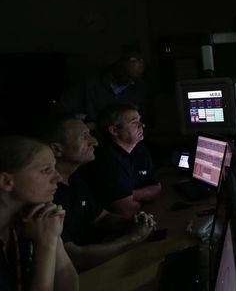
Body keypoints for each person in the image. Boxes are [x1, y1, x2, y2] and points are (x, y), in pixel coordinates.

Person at [37, 114, 156, 271]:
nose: (95, 142)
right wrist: (133, 238)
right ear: (57, 149)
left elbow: (101, 218)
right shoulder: (46, 195)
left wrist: (132, 224)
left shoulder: (74, 179)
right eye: (84, 136)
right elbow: (75, 258)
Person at [0, 136, 79, 291]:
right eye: (46, 170)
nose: (57, 177)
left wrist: (53, 237)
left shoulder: (24, 221)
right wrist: (45, 245)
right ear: (7, 181)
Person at [85, 104, 161, 218]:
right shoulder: (106, 159)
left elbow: (157, 188)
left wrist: (131, 194)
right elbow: (127, 209)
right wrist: (140, 196)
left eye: (140, 120)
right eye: (134, 123)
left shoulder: (139, 148)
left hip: (142, 213)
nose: (142, 125)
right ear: (114, 130)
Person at [59, 44, 147, 122]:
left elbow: (147, 119)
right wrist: (85, 121)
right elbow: (64, 109)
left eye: (133, 78)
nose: (129, 81)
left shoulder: (139, 89)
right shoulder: (89, 84)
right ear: (117, 66)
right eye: (126, 76)